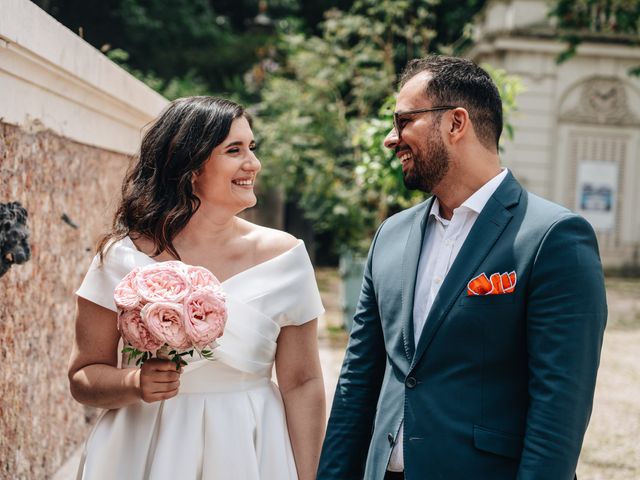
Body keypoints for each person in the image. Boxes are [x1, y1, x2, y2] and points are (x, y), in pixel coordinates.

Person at [318, 55, 607, 480]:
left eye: (403, 121)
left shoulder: (553, 237)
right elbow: (356, 384)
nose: (390, 138)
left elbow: (559, 406)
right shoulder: (390, 237)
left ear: (456, 123)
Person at [68, 96, 326, 480]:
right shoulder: (121, 257)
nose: (253, 164)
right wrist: (134, 382)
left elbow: (303, 382)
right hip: (143, 449)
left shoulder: (285, 258)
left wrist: (311, 476)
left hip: (250, 448)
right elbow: (83, 375)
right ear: (190, 167)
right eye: (234, 150)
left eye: (251, 148)